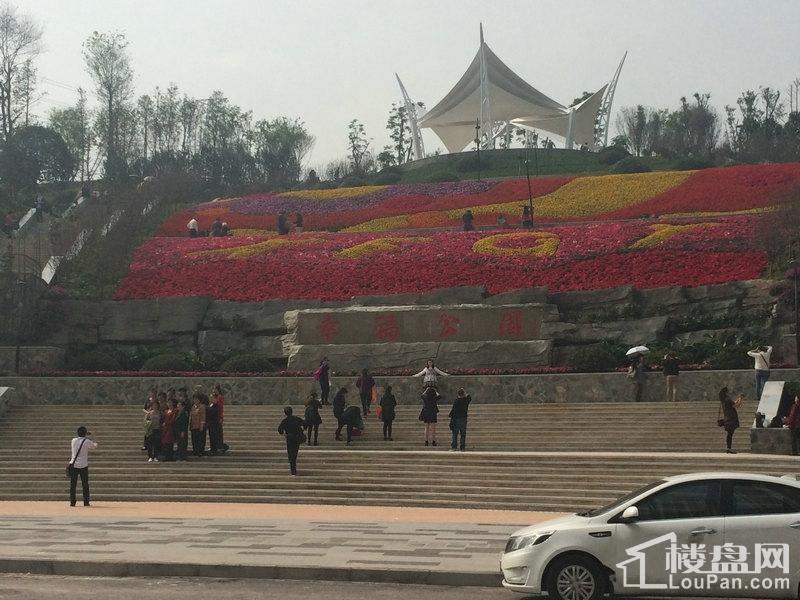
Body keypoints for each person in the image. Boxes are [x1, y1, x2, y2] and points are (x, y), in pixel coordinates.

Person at [68, 426, 97, 507]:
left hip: (74, 465)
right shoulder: (87, 441)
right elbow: (94, 446)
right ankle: (86, 502)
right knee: (85, 484)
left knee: (73, 485)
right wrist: (91, 437)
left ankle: (72, 502)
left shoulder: (73, 440)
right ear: (85, 433)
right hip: (83, 465)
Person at [277, 406, 305, 475]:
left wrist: (284, 434)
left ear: (285, 413)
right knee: (295, 453)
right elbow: (304, 423)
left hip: (290, 438)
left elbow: (280, 429)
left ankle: (293, 471)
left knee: (291, 455)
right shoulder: (296, 419)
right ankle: (294, 470)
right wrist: (303, 430)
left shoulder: (285, 421)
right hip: (297, 438)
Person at [718, 387, 742, 454]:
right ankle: (729, 448)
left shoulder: (724, 400)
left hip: (727, 419)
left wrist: (738, 400)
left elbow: (733, 403)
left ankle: (728, 448)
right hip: (731, 419)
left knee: (730, 434)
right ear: (726, 392)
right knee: (730, 434)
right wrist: (740, 399)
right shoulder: (728, 399)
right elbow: (736, 405)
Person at [211, 384, 229, 452]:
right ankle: (215, 446)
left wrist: (221, 417)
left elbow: (220, 407)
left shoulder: (220, 397)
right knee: (214, 433)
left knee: (218, 433)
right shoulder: (215, 397)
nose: (213, 390)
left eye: (214, 389)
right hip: (214, 417)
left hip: (218, 416)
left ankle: (220, 446)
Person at [144, 396, 162, 462]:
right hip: (151, 430)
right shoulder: (149, 413)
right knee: (150, 444)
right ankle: (150, 456)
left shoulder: (160, 413)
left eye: (156, 405)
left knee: (156, 444)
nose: (155, 406)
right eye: (154, 405)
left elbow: (161, 421)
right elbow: (145, 421)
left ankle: (155, 456)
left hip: (157, 429)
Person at [190, 392, 207, 457]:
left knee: (200, 439)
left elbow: (203, 416)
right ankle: (195, 451)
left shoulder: (202, 406)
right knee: (194, 440)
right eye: (194, 399)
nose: (195, 401)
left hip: (199, 426)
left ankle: (200, 451)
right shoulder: (193, 407)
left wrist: (202, 425)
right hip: (193, 426)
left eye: (197, 399)